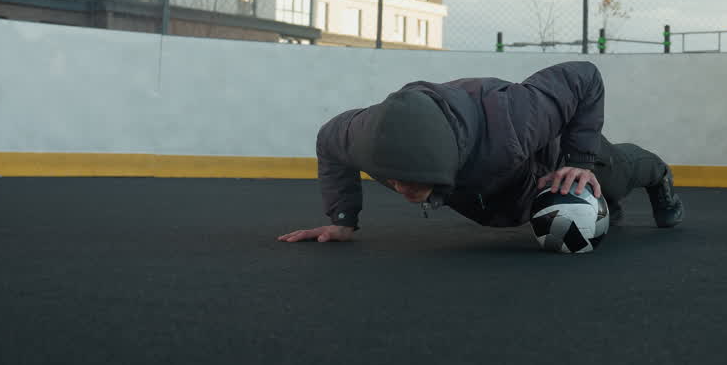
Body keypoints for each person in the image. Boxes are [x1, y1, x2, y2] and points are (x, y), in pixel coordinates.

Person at [277, 61, 684, 244]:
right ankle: (606, 205)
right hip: (493, 188)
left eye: (413, 178)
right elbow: (328, 141)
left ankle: (657, 175)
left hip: (549, 157)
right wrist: (344, 219)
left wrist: (577, 162)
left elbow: (584, 77)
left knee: (613, 173)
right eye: (392, 177)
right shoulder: (366, 139)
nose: (400, 187)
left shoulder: (515, 121)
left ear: (442, 160)